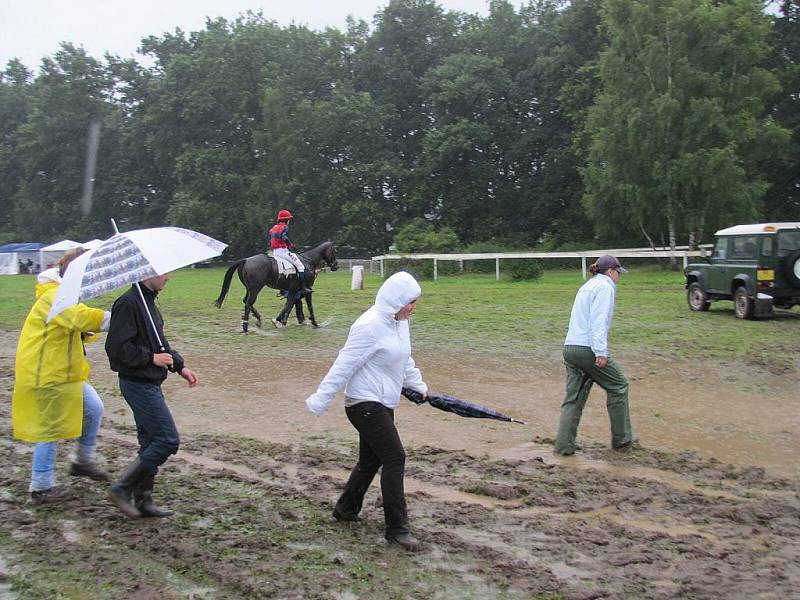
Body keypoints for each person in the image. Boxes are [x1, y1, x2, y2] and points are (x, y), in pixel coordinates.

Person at [305, 271, 428, 551]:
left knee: (371, 461)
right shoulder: (369, 326)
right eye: (411, 302)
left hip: (384, 402)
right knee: (395, 457)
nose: (414, 307)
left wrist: (419, 386)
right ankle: (397, 529)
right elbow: (343, 365)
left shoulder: (399, 323)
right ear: (396, 301)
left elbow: (404, 358)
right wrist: (320, 399)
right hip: (363, 403)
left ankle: (346, 509)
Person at [12, 248, 111, 502]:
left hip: (67, 373)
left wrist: (87, 331)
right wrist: (122, 316)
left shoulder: (65, 295)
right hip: (46, 373)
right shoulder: (54, 296)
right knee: (51, 428)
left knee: (93, 408)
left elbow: (81, 327)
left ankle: (82, 462)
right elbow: (82, 317)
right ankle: (40, 486)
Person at [104, 273, 199, 518]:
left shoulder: (147, 302)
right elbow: (116, 348)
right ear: (148, 274)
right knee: (167, 440)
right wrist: (150, 358)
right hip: (137, 384)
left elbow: (159, 343)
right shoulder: (128, 303)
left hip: (150, 382)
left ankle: (143, 501)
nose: (168, 278)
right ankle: (121, 488)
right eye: (164, 273)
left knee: (150, 442)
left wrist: (180, 366)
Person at [554, 254, 634, 456]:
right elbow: (597, 322)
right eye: (618, 272)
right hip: (587, 348)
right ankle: (622, 441)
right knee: (619, 385)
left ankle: (564, 447)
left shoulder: (587, 286)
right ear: (610, 271)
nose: (619, 277)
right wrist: (601, 352)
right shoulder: (605, 287)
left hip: (570, 347)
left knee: (573, 399)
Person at [269, 208, 312, 294]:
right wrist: (290, 244)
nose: (289, 221)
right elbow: (284, 237)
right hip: (283, 252)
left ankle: (283, 289)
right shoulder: (285, 227)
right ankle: (303, 287)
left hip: (275, 252)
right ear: (286, 220)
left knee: (282, 270)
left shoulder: (274, 228)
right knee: (301, 266)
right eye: (289, 219)